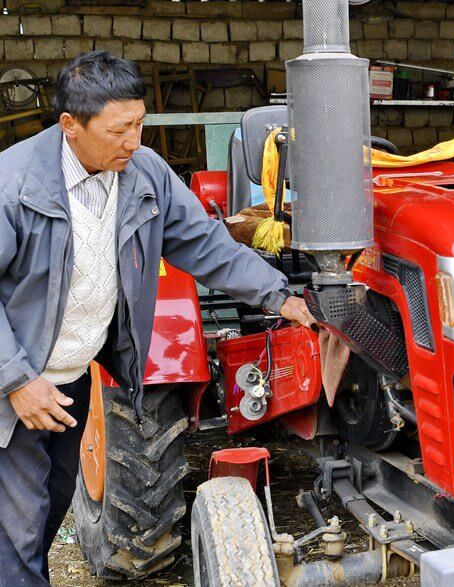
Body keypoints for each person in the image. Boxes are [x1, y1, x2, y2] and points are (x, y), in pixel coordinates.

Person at [0, 51, 314, 585]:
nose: (135, 141)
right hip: (15, 384)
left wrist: (277, 296)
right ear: (70, 126)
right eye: (121, 129)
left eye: (140, 123)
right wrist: (16, 380)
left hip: (70, 379)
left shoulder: (143, 173)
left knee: (48, 513)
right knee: (18, 531)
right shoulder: (14, 186)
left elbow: (204, 243)